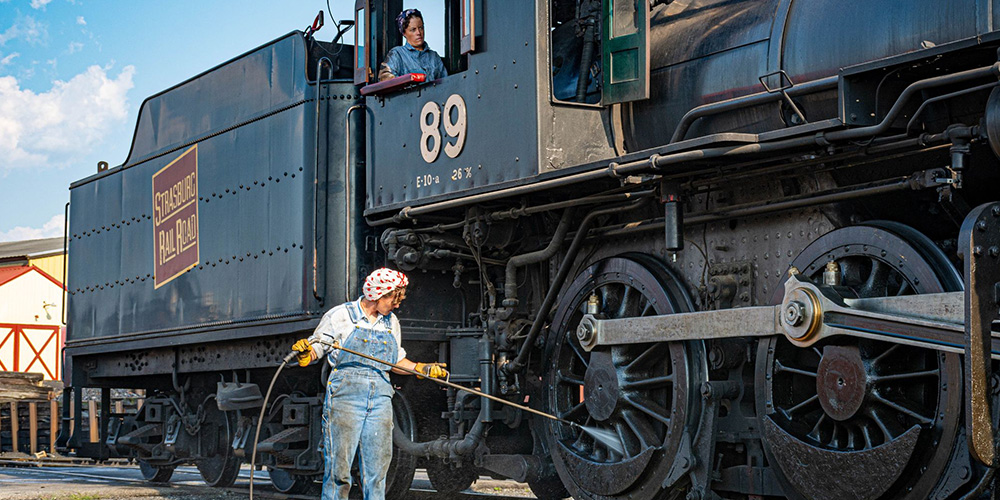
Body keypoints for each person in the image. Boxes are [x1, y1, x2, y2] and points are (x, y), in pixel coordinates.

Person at [291, 268, 447, 500]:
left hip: (381, 397)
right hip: (346, 394)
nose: (397, 305)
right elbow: (318, 346)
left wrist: (420, 368)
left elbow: (394, 361)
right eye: (394, 299)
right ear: (378, 294)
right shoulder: (340, 316)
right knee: (339, 470)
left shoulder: (391, 322)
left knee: (377, 468)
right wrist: (308, 354)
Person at [378, 9, 448, 81]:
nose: (418, 32)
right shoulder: (397, 54)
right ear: (404, 33)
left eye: (421, 28)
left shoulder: (434, 57)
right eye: (413, 29)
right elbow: (385, 79)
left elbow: (446, 83)